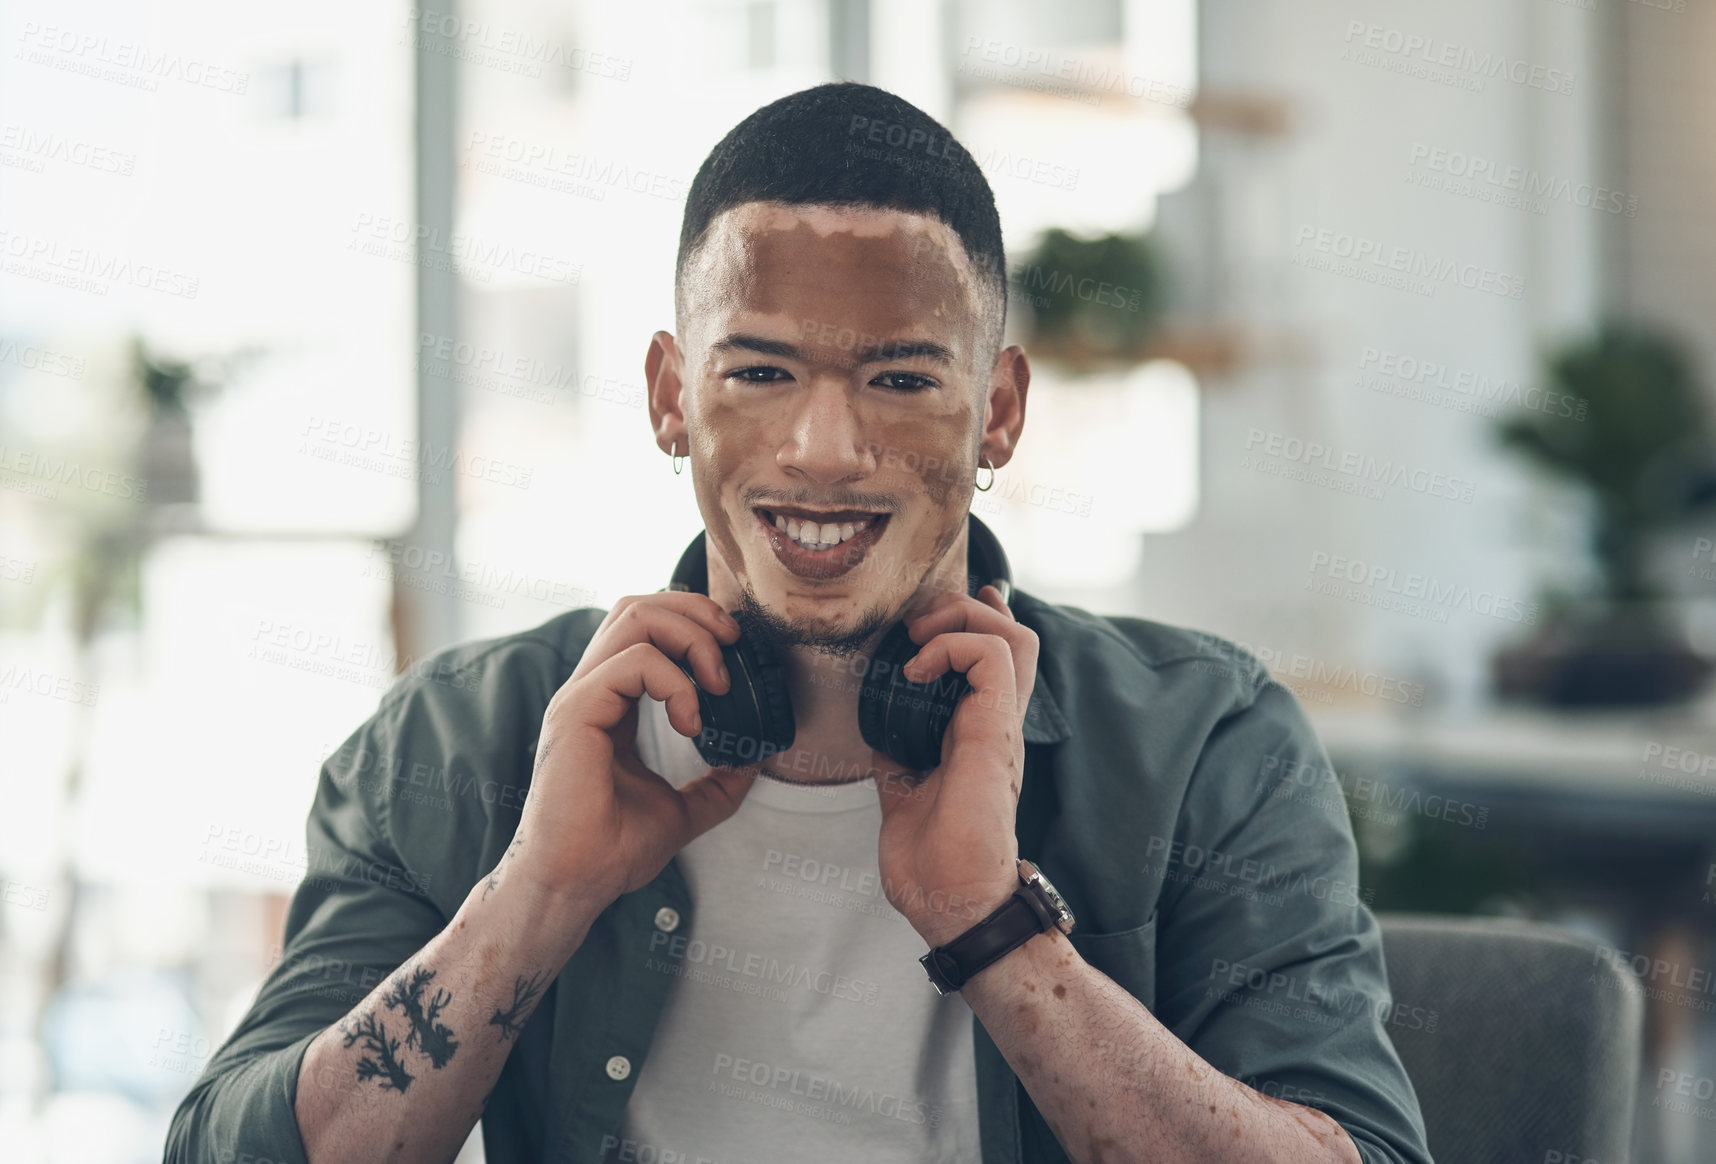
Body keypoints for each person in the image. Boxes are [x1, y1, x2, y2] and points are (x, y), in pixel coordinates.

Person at [166, 82, 1432, 1164]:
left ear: (998, 413)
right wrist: (538, 892)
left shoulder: (1211, 739)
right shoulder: (457, 738)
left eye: (900, 377)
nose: (824, 451)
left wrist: (988, 922)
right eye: (759, 372)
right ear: (673, 398)